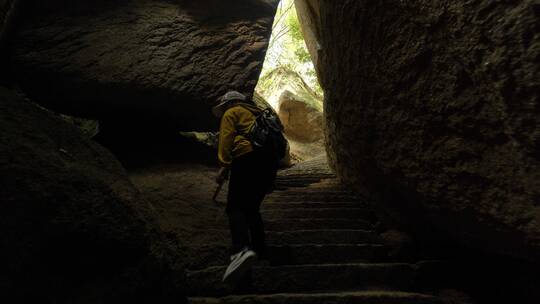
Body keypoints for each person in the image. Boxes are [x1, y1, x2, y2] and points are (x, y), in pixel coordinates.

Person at [212, 91, 277, 284]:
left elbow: (226, 140)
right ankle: (261, 252)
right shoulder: (258, 114)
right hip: (268, 165)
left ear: (229, 103)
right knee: (252, 209)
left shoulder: (232, 113)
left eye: (224, 106)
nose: (223, 110)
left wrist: (224, 165)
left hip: (246, 159)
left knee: (234, 207)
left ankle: (241, 250)